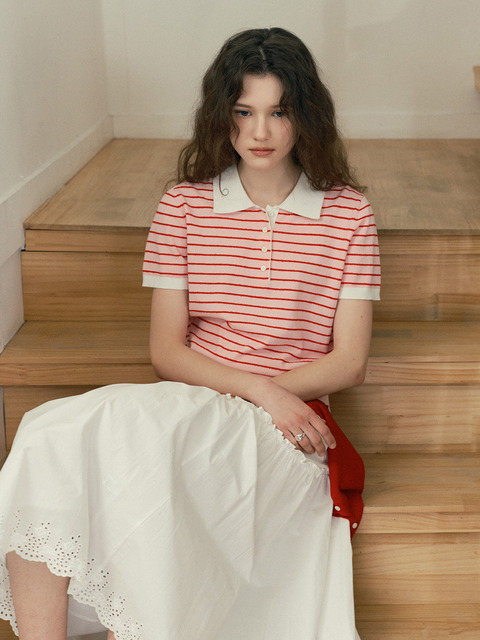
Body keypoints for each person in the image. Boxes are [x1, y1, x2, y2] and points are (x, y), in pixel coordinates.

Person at [0, 27, 380, 640]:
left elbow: (350, 362)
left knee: (146, 475)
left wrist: (272, 398)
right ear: (221, 115)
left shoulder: (347, 213)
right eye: (244, 112)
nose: (260, 132)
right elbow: (166, 352)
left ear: (305, 116)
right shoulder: (183, 205)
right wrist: (259, 389)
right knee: (49, 434)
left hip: (289, 429)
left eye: (279, 112)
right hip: (197, 401)